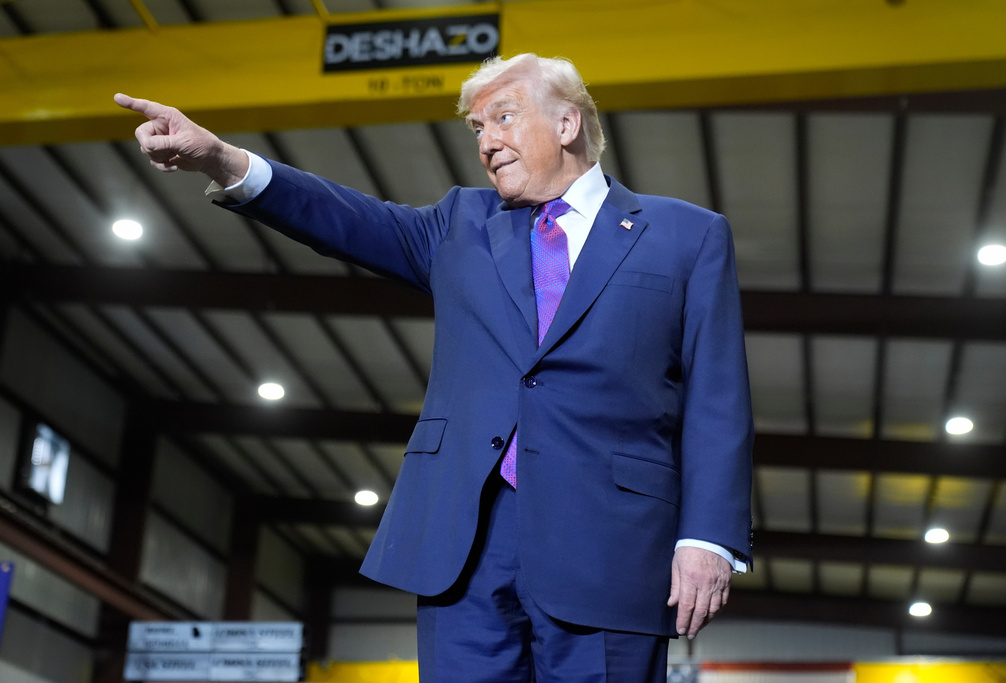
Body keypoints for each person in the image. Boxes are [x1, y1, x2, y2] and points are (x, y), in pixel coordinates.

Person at [116, 53, 753, 683]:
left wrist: (707, 539)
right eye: (477, 129)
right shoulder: (460, 225)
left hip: (610, 544)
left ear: (567, 125)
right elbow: (342, 218)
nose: (487, 142)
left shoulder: (686, 237)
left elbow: (717, 400)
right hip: (464, 544)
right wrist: (221, 159)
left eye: (503, 118)